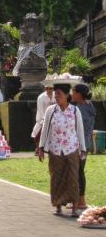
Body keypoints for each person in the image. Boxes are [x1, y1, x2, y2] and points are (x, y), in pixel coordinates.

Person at [38, 84, 86, 217]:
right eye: (55, 94)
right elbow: (45, 129)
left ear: (66, 95)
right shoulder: (51, 111)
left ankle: (75, 208)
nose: (56, 96)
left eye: (59, 94)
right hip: (55, 149)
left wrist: (83, 149)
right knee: (56, 178)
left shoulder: (75, 111)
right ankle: (58, 206)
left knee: (73, 178)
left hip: (72, 148)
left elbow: (79, 130)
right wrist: (41, 148)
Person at [72, 84, 96, 210]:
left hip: (81, 144)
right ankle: (77, 199)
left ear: (79, 94)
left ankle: (81, 201)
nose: (71, 94)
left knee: (78, 172)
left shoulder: (80, 109)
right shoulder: (89, 105)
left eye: (73, 92)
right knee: (77, 171)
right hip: (84, 144)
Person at [31, 84, 55, 155]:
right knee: (37, 132)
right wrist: (44, 120)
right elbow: (40, 110)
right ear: (45, 89)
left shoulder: (55, 96)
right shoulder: (41, 97)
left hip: (54, 118)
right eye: (48, 88)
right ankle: (38, 148)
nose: (50, 90)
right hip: (42, 118)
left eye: (51, 88)